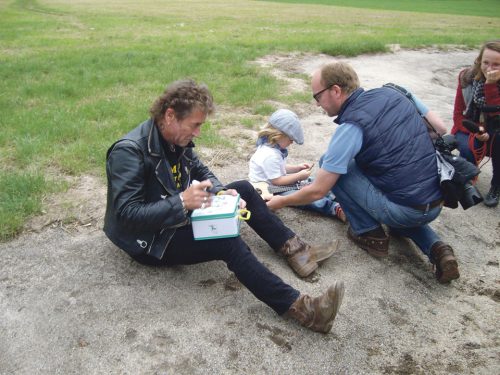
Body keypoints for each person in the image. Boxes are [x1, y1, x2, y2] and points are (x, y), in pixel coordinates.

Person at [103, 79, 344, 333]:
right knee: (226, 241)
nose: (197, 132)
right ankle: (306, 311)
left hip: (176, 211)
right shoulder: (128, 153)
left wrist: (221, 191)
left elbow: (199, 168)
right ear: (170, 115)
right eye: (194, 125)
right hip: (151, 240)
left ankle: (297, 251)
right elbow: (126, 215)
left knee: (244, 188)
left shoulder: (175, 138)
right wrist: (182, 201)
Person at [267, 62, 460, 284]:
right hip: (437, 198)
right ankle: (438, 249)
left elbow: (318, 190)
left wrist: (279, 202)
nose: (318, 104)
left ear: (336, 91)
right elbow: (440, 129)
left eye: (317, 97)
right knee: (406, 207)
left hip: (405, 208)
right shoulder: (395, 92)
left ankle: (370, 234)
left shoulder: (352, 126)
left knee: (335, 167)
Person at [248, 108, 347, 223]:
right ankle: (333, 208)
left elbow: (280, 168)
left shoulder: (272, 149)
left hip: (276, 183)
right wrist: (299, 176)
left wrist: (297, 168)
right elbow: (277, 180)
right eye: (291, 139)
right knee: (301, 197)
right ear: (279, 135)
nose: (292, 142)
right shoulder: (269, 155)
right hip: (271, 189)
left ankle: (334, 195)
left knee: (314, 181)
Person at [451, 40, 500, 207]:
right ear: (479, 60)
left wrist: (491, 85)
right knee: (468, 146)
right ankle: (466, 177)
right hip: (469, 128)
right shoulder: (466, 77)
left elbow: (496, 115)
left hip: (496, 131)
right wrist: (478, 130)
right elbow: (458, 115)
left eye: (497, 64)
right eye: (486, 62)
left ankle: (496, 186)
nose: (490, 68)